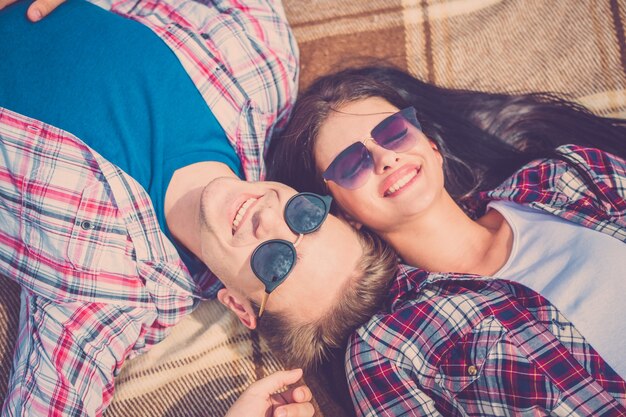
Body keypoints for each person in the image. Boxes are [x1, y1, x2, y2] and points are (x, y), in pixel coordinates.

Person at [0, 1, 396, 416]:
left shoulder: (108, 297)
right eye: (306, 216)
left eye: (276, 264)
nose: (269, 218)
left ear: (238, 306)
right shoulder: (262, 66)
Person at [267, 66, 626, 416]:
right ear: (345, 215)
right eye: (350, 164)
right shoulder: (385, 347)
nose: (385, 158)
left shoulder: (561, 176)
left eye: (394, 132)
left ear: (432, 146)